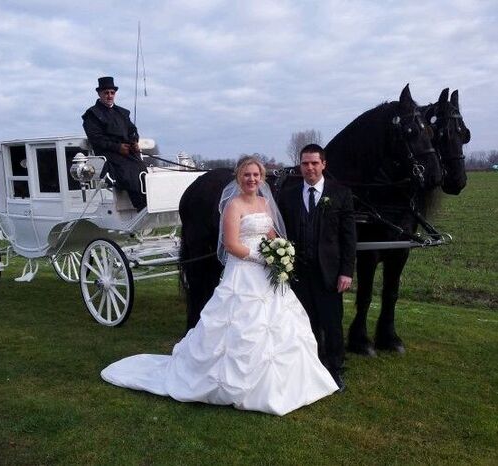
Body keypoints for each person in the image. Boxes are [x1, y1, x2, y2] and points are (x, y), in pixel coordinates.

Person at [101, 156, 338, 416]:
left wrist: (281, 249)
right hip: (245, 271)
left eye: (256, 175)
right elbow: (231, 244)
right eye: (247, 175)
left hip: (265, 273)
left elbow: (270, 233)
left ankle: (289, 381)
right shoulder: (233, 206)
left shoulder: (263, 202)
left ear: (262, 178)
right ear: (239, 178)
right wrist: (263, 257)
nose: (252, 180)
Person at [278, 144, 356, 392]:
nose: (309, 168)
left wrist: (346, 271)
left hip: (330, 273)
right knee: (304, 323)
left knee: (332, 323)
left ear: (324, 164)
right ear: (299, 166)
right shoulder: (288, 195)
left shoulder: (341, 194)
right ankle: (308, 368)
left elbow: (349, 238)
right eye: (305, 163)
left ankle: (334, 370)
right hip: (298, 273)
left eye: (314, 163)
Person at [82, 76, 147, 211]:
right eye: (106, 93)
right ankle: (140, 206)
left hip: (127, 152)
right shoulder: (92, 115)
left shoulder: (122, 113)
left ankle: (148, 202)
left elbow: (132, 130)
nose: (109, 96)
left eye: (112, 93)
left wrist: (134, 141)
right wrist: (117, 147)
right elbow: (96, 139)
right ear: (99, 94)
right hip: (109, 154)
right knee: (130, 169)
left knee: (141, 166)